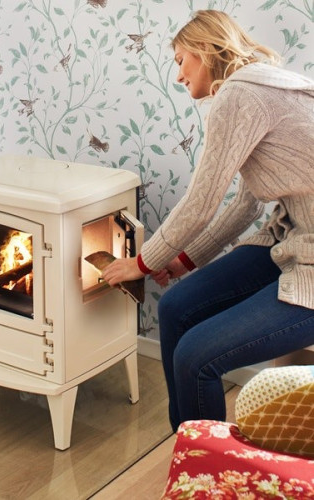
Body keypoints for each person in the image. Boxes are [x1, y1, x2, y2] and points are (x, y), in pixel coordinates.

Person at [102, 9, 314, 432]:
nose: (179, 76)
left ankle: (203, 462)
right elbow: (245, 206)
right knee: (175, 307)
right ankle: (188, 447)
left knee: (195, 357)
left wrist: (141, 263)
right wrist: (184, 260)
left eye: (181, 60)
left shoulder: (241, 94)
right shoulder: (262, 87)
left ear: (204, 50)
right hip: (293, 237)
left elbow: (201, 202)